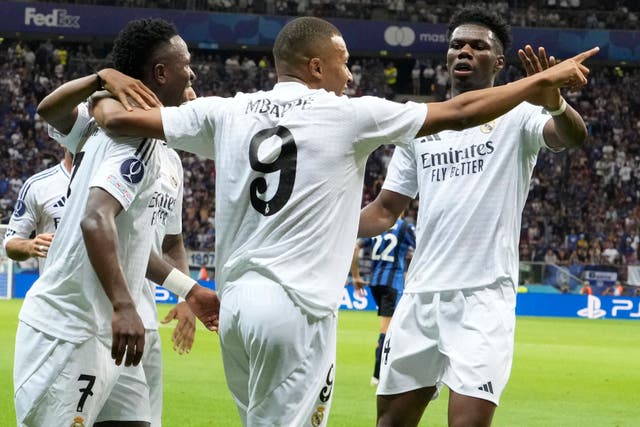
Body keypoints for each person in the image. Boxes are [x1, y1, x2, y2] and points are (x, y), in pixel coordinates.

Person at [93, 16, 596, 426]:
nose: (351, 76)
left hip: (240, 308)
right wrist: (542, 78)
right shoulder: (349, 114)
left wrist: (103, 80)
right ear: (317, 66)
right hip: (302, 306)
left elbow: (114, 118)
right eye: (345, 64)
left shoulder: (229, 110)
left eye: (476, 47)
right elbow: (451, 124)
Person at [357, 7, 593, 427]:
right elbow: (384, 211)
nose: (464, 51)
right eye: (456, 45)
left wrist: (555, 103)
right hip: (420, 296)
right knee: (390, 422)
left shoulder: (520, 114)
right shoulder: (422, 125)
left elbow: (571, 137)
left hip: (483, 298)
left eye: (477, 46)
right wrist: (321, 221)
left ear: (498, 62)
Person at [14, 18, 218, 427]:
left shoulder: (147, 143)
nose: (193, 74)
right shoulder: (129, 135)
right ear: (161, 73)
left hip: (111, 331)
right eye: (187, 65)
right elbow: (95, 220)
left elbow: (138, 245)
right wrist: (125, 304)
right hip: (71, 330)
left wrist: (190, 290)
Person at [38, 72, 199, 426]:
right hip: (93, 311)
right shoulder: (104, 128)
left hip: (143, 317)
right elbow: (51, 109)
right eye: (185, 76)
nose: (193, 88)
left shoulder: (172, 162)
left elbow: (170, 241)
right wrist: (100, 82)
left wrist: (186, 294)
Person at [351, 214, 415, 386]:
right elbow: (421, 249)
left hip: (375, 283)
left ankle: (386, 371)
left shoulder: (376, 225)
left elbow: (355, 248)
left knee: (393, 327)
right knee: (387, 330)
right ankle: (378, 375)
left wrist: (356, 276)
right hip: (392, 284)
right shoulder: (404, 227)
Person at [3, 149, 72, 273]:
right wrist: (31, 246)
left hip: (102, 291)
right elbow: (11, 243)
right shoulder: (38, 186)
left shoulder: (111, 180)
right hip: (54, 291)